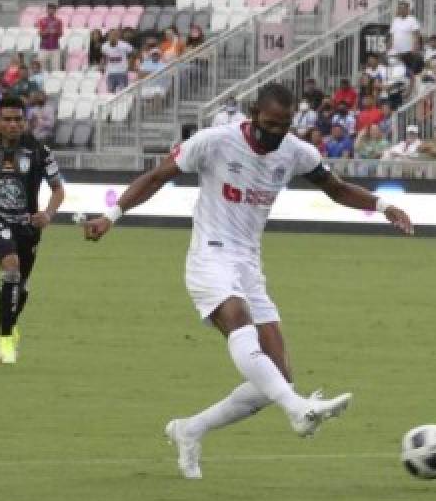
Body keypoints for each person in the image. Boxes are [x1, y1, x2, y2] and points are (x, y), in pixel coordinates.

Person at [81, 83, 413, 479]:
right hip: (209, 255)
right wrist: (112, 216)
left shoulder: (294, 152)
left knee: (277, 376)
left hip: (248, 264)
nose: (276, 132)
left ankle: (190, 430)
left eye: (285, 125)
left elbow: (336, 188)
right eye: (271, 124)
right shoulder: (214, 142)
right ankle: (299, 409)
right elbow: (156, 178)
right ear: (253, 114)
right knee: (239, 322)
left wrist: (384, 206)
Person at [0, 96, 66, 363]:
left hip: (28, 227)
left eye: (18, 119)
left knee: (21, 285)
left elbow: (58, 190)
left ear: (25, 121)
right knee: (11, 267)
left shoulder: (40, 152)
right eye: (7, 119)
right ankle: (5, 341)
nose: (13, 124)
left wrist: (48, 215)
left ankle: (10, 324)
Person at [101, 29, 135, 93]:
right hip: (110, 73)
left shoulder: (125, 45)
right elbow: (104, 57)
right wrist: (102, 65)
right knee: (110, 93)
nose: (113, 37)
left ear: (118, 36)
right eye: (111, 35)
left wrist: (130, 64)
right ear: (108, 36)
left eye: (115, 35)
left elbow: (133, 53)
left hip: (122, 72)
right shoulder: (104, 46)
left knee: (123, 93)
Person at [36, 4, 64, 71]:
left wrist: (56, 32)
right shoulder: (42, 21)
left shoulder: (59, 21)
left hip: (55, 48)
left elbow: (61, 34)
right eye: (49, 9)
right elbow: (40, 33)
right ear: (47, 10)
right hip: (44, 47)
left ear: (55, 11)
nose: (51, 11)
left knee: (56, 69)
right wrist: (47, 31)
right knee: (42, 68)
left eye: (53, 9)